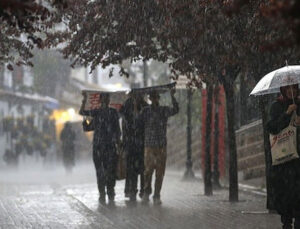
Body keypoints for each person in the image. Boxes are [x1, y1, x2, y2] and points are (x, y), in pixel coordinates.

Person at [266, 84, 300, 229]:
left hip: (298, 159)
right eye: (288, 88)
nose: (291, 91)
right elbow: (272, 127)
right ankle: (286, 223)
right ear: (283, 90)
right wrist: (287, 114)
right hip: (285, 160)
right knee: (286, 195)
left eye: (294, 88)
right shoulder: (276, 106)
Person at [139, 88, 179, 205]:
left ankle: (157, 195)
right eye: (153, 97)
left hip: (161, 146)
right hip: (149, 146)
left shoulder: (163, 110)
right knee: (148, 171)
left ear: (158, 98)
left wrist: (172, 96)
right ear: (150, 99)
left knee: (160, 173)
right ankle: (146, 192)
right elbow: (138, 121)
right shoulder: (145, 111)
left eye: (156, 97)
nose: (155, 99)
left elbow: (175, 110)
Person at [80, 93, 120, 204]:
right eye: (104, 98)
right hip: (98, 147)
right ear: (101, 100)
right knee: (100, 172)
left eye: (107, 98)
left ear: (108, 100)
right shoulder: (96, 113)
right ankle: (102, 193)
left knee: (110, 171)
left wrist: (118, 143)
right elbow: (83, 114)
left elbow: (117, 130)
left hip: (110, 146)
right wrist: (84, 101)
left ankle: (110, 192)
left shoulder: (113, 112)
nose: (105, 100)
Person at [120, 93, 148, 201]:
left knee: (142, 169)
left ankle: (142, 190)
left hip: (141, 142)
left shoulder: (144, 106)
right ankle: (132, 190)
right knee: (131, 169)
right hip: (130, 142)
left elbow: (144, 120)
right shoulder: (127, 104)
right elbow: (124, 118)